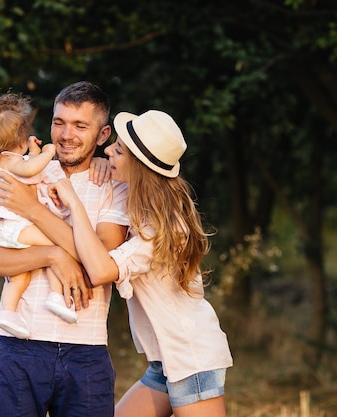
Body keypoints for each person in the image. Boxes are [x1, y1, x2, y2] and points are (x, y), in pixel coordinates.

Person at [48, 109, 233, 417]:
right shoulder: (143, 210)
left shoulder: (161, 230)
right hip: (165, 362)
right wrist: (101, 164)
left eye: (117, 149)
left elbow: (100, 270)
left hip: (190, 357)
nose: (107, 151)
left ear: (139, 166)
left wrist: (73, 203)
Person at [0, 82, 129, 417]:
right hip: (18, 345)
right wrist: (52, 255)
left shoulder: (115, 187)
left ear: (102, 135)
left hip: (86, 353)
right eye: (60, 122)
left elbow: (99, 264)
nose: (67, 134)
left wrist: (33, 210)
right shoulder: (23, 172)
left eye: (80, 126)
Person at [0, 89, 90, 337]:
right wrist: (47, 152)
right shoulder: (9, 162)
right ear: (20, 141)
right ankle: (56, 295)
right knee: (59, 245)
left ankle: (8, 313)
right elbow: (31, 168)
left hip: (5, 230)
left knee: (20, 274)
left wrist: (34, 155)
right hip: (15, 227)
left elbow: (28, 169)